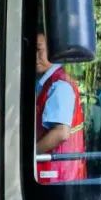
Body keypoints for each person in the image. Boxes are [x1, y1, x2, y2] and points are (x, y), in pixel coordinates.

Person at [35, 32, 86, 182]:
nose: (35, 56)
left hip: (58, 174)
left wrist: (29, 155)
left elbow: (61, 133)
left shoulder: (59, 85)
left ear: (53, 51)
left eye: (39, 50)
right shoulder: (48, 82)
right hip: (60, 173)